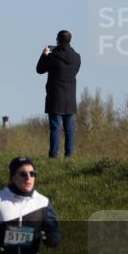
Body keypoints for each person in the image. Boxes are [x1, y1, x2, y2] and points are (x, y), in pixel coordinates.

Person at [35, 30, 81, 158]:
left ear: (58, 40)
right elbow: (74, 71)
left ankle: (53, 155)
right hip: (70, 97)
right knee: (69, 129)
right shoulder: (77, 57)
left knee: (55, 128)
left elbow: (39, 70)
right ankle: (69, 155)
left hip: (55, 96)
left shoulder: (52, 56)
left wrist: (44, 55)